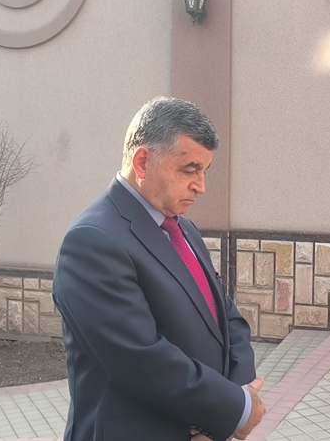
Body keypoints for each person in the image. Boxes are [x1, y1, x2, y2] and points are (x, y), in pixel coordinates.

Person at [52, 96, 266, 441]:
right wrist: (235, 409)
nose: (201, 186)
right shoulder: (92, 240)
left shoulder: (183, 229)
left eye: (204, 171)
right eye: (189, 169)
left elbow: (225, 316)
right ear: (142, 162)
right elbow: (140, 360)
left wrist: (237, 397)